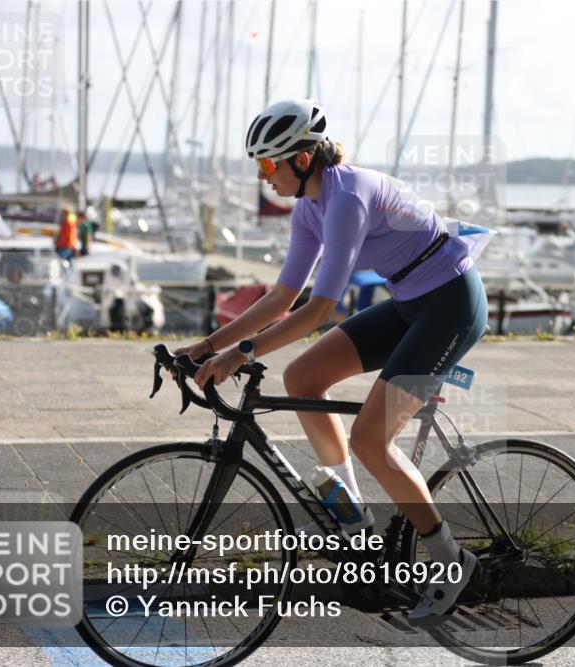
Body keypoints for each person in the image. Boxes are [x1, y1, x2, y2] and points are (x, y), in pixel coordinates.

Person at [177, 99, 488, 622]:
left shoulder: (347, 197)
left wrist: (241, 354)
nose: (263, 176)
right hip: (410, 302)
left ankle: (452, 559)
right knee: (303, 376)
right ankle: (352, 516)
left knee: (371, 440)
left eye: (268, 164)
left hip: (452, 305)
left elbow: (320, 308)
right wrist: (207, 346)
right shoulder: (309, 208)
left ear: (302, 160)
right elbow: (282, 298)